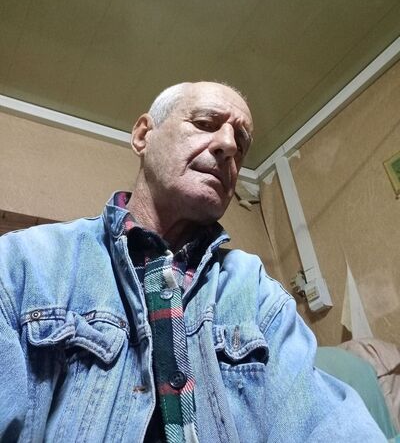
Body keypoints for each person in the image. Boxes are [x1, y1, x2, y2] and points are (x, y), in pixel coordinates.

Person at [0, 81, 385, 442]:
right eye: (205, 123)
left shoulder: (257, 292)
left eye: (241, 141)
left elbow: (323, 422)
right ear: (143, 135)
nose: (229, 145)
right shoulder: (25, 261)